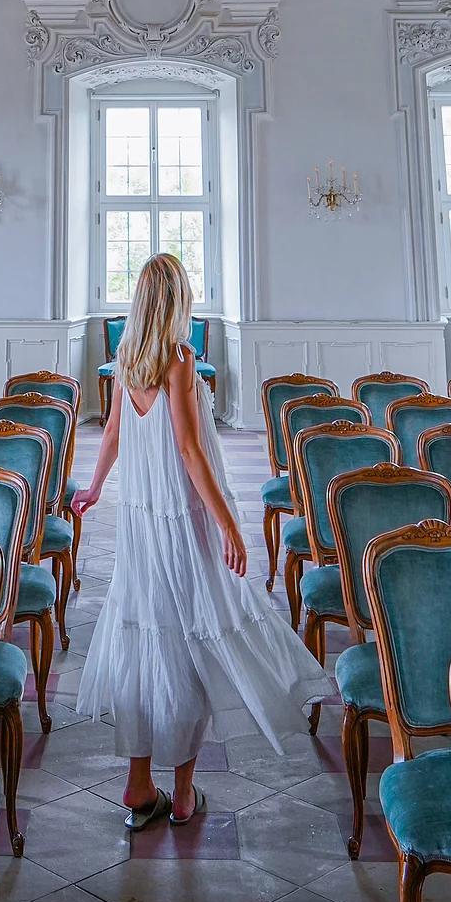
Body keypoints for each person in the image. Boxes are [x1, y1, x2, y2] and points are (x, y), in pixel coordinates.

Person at [73, 253, 335, 829]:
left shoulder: (125, 361)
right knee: (190, 641)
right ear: (177, 302)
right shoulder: (178, 360)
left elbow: (114, 433)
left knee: (145, 641)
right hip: (179, 521)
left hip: (141, 524)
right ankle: (183, 793)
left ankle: (138, 785)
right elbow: (191, 451)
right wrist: (227, 523)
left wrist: (93, 490)